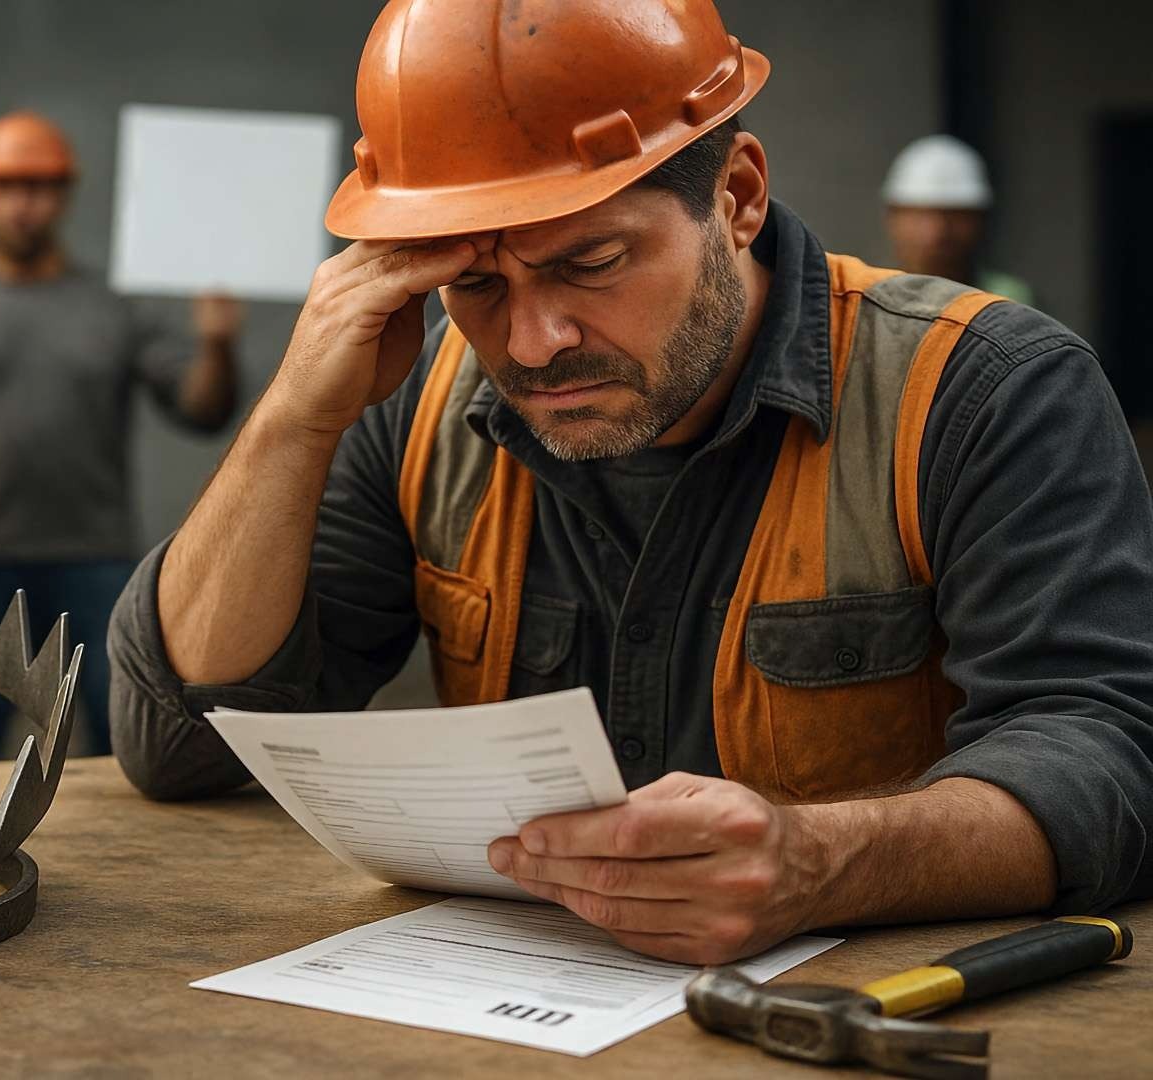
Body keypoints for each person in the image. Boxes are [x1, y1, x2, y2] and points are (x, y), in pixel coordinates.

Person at [108, 0, 1153, 966]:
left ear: (736, 196)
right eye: (474, 281)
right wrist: (296, 415)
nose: (531, 343)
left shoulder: (983, 395)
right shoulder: (412, 404)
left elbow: (1106, 756)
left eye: (591, 261)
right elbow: (182, 747)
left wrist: (823, 860)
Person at [0, 111, 241, 759]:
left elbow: (200, 410)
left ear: (65, 193)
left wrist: (218, 342)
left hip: (94, 559)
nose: (20, 204)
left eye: (37, 186)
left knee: (122, 747)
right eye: (3, 186)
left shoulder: (112, 305)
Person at [882, 134, 1035, 305]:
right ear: (892, 217)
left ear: (980, 220)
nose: (936, 233)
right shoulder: (869, 300)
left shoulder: (1010, 301)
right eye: (920, 216)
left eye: (954, 216)